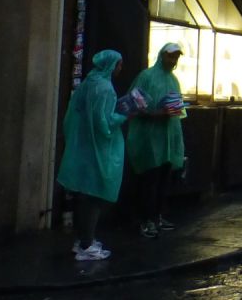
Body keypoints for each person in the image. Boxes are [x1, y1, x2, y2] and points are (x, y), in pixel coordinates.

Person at [57, 49, 132, 261]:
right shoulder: (105, 89)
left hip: (82, 145)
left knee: (84, 195)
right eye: (119, 64)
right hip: (99, 148)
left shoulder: (89, 83)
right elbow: (104, 123)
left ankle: (83, 239)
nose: (120, 68)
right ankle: (87, 243)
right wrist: (124, 114)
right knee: (95, 196)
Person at [126, 41, 187, 238]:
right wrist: (155, 114)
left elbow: (178, 108)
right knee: (149, 181)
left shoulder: (174, 80)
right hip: (149, 138)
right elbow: (133, 103)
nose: (173, 60)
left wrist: (173, 112)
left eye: (176, 56)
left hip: (168, 138)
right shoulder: (146, 77)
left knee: (163, 180)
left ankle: (158, 216)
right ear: (162, 55)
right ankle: (145, 220)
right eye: (171, 55)